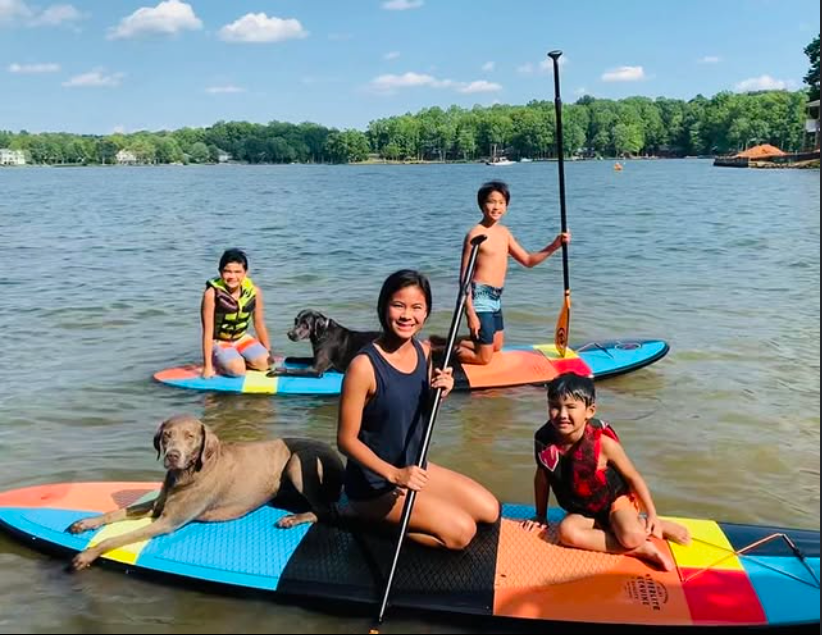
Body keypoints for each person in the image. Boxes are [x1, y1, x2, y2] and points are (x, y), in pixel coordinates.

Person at [337, 269, 500, 550]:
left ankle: (411, 513)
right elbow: (345, 441)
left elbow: (415, 407)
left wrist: (440, 391)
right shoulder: (363, 367)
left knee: (489, 510)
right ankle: (364, 518)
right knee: (461, 534)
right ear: (383, 307)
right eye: (398, 305)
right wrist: (394, 475)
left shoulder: (423, 351)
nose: (406, 315)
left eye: (416, 308)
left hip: (414, 467)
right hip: (375, 486)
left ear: (426, 313)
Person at [525, 372, 690, 570]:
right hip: (583, 510)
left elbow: (633, 477)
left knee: (631, 536)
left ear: (589, 411)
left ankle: (651, 525)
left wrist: (652, 514)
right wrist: (540, 516)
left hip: (615, 502)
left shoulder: (604, 444)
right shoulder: (544, 440)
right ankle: (640, 550)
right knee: (566, 533)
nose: (562, 414)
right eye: (554, 406)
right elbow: (542, 477)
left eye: (570, 407)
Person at [456, 180, 570, 366]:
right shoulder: (475, 234)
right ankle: (438, 350)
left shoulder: (504, 233)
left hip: (496, 297)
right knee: (484, 359)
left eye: (501, 202)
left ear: (506, 207)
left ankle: (447, 342)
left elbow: (527, 261)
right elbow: (464, 279)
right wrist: (470, 313)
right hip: (480, 297)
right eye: (491, 201)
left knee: (496, 347)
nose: (496, 207)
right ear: (482, 205)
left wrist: (555, 245)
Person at [200, 248, 272, 379]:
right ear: (220, 272)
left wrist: (268, 352)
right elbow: (207, 332)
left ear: (245, 273)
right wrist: (207, 367)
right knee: (238, 371)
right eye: (227, 271)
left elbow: (259, 323)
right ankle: (225, 361)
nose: (232, 276)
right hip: (219, 341)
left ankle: (238, 358)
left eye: (238, 272)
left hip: (241, 338)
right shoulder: (211, 294)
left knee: (265, 364)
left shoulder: (254, 292)